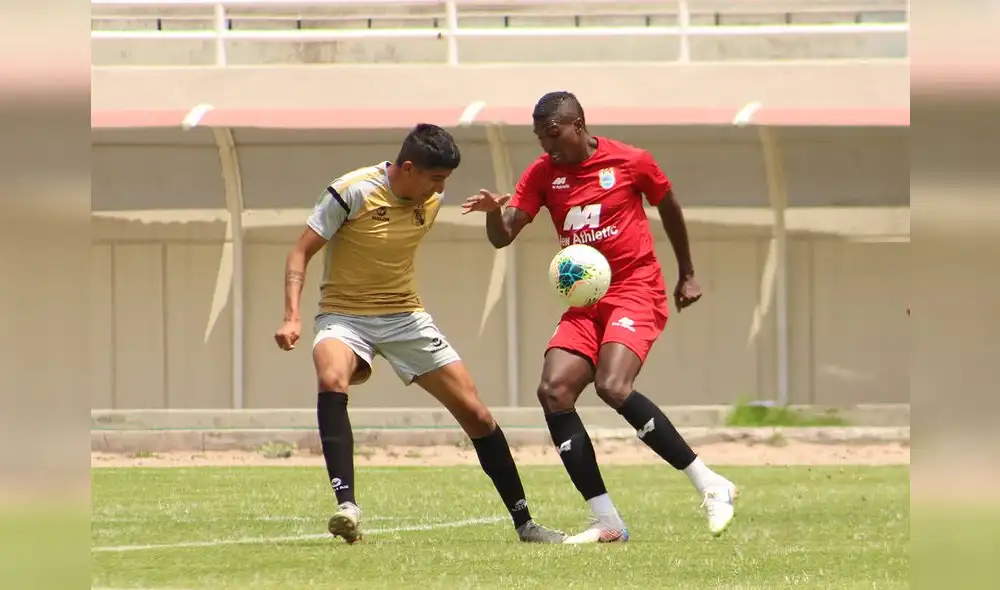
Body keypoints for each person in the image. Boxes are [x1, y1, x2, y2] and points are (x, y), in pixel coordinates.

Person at [461, 92, 739, 543]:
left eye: (553, 135)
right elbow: (504, 236)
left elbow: (668, 205)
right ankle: (607, 520)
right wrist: (495, 214)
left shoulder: (630, 161)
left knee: (613, 387)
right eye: (539, 137)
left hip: (635, 289)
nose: (547, 146)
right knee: (553, 390)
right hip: (585, 300)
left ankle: (711, 484)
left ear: (578, 125)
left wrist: (687, 273)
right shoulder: (542, 173)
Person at [274, 123, 566, 545]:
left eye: (444, 181)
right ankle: (348, 508)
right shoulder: (350, 191)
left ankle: (526, 524)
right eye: (436, 179)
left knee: (478, 416)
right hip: (344, 316)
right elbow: (300, 250)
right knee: (331, 376)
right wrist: (291, 317)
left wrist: (490, 214)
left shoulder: (429, 197)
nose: (440, 190)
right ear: (408, 168)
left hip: (406, 318)